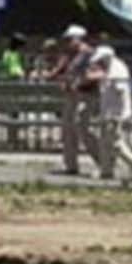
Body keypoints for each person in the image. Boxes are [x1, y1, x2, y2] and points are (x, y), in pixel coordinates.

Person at [42, 24, 100, 176]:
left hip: (85, 95)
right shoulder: (68, 55)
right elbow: (59, 71)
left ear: (78, 39)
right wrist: (50, 75)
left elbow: (96, 74)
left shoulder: (90, 54)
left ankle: (103, 161)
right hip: (70, 95)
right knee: (68, 130)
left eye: (69, 39)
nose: (67, 43)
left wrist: (80, 81)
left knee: (83, 128)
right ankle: (71, 165)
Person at [86, 44, 132, 180]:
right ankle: (106, 171)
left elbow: (120, 90)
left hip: (116, 113)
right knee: (105, 142)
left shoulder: (118, 69)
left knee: (115, 143)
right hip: (107, 112)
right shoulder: (109, 68)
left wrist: (117, 115)